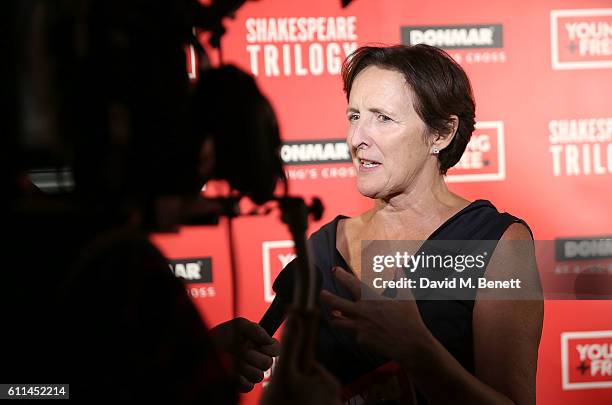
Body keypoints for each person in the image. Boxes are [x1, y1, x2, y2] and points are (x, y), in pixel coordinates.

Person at [273, 44, 543, 404]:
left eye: (382, 118)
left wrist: (418, 351)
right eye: (354, 116)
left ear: (441, 134)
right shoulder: (322, 249)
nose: (357, 139)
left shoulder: (496, 244)